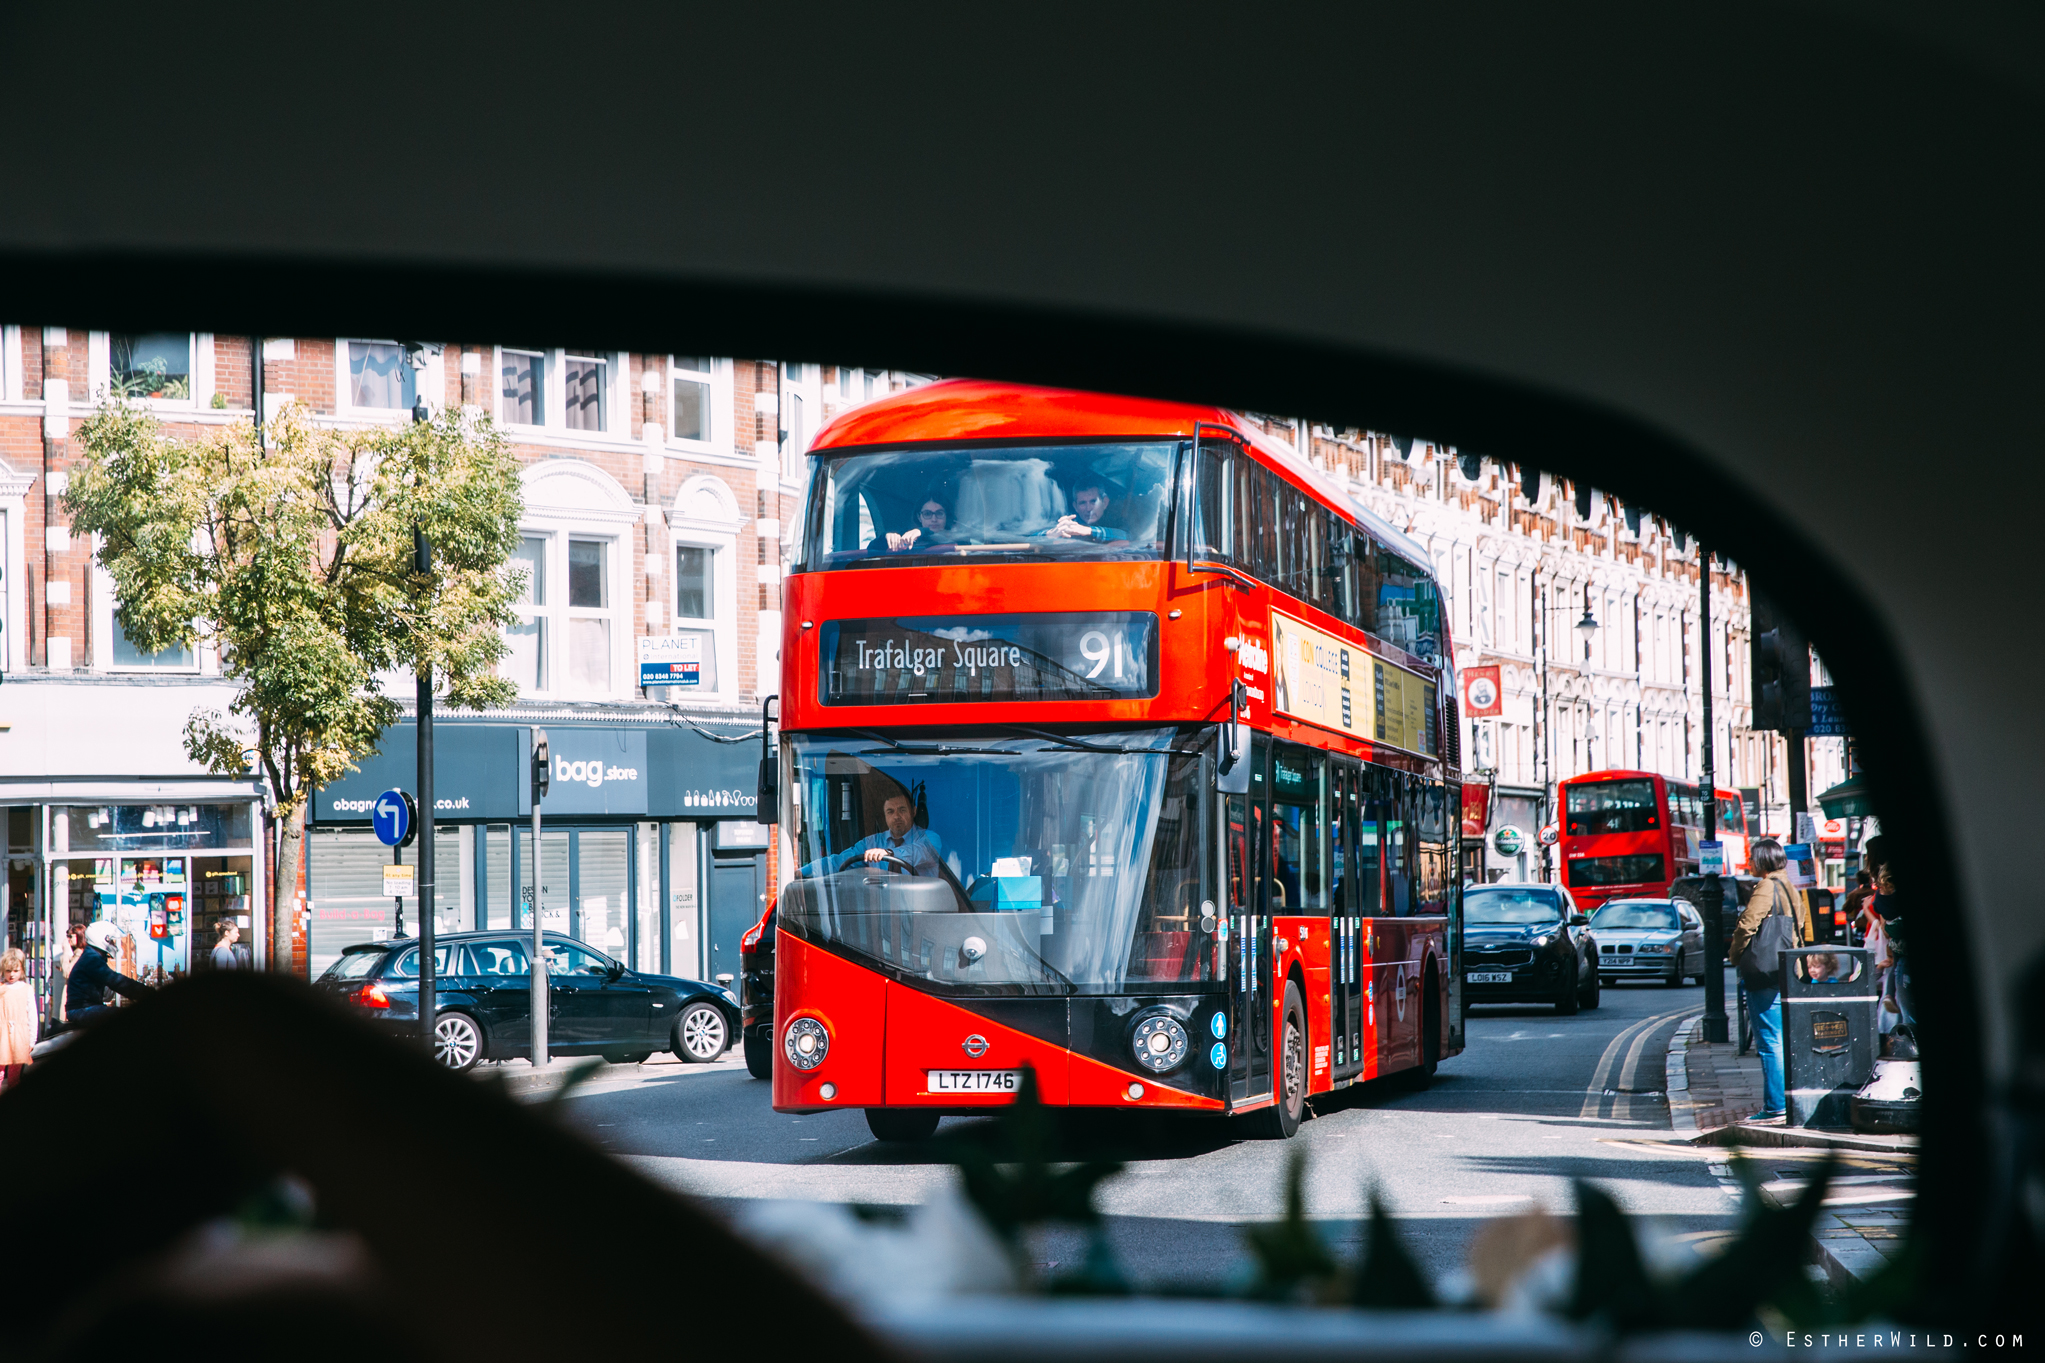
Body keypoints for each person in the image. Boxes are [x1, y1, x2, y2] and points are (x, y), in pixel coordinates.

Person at [1726, 836, 1809, 1123]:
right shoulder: (1790, 885)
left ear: (1762, 860)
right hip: (1787, 968)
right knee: (1782, 1038)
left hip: (1764, 971)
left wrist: (1735, 955)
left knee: (1769, 1042)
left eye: (1752, 858)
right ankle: (1786, 1102)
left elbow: (1748, 924)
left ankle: (1775, 1107)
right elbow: (1801, 927)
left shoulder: (1766, 886)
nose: (1750, 863)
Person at [801, 791, 950, 879]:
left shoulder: (930, 839)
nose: (896, 816)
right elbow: (838, 861)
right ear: (885, 816)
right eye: (890, 811)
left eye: (902, 810)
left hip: (923, 914)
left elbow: (918, 853)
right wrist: (801, 872)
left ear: (914, 811)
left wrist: (888, 853)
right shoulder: (871, 843)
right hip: (880, 916)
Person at [64, 921, 149, 1027]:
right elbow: (115, 980)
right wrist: (146, 992)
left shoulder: (92, 956)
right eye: (111, 941)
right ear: (102, 939)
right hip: (81, 1010)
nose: (113, 944)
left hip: (83, 1008)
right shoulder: (92, 959)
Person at [1044, 480, 1128, 544]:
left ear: (1105, 503)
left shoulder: (1116, 521)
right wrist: (1049, 533)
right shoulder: (1069, 522)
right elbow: (1032, 535)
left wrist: (1089, 530)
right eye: (1082, 503)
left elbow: (1128, 536)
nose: (1088, 508)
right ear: (1075, 507)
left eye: (1093, 501)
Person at [0, 948, 35, 1089]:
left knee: (15, 1075)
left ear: (21, 970)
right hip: (2, 1035)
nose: (12, 975)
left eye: (15, 970)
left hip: (20, 1036)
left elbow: (32, 1014)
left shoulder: (27, 989)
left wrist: (32, 1039)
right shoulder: (2, 988)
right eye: (8, 971)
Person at [881, 492, 956, 552]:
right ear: (919, 517)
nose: (934, 519)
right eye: (927, 514)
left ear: (947, 516)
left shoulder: (957, 537)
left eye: (939, 513)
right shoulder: (905, 537)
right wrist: (887, 538)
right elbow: (871, 552)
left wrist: (922, 531)